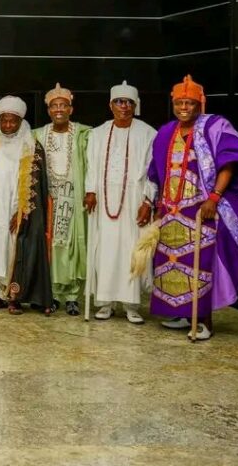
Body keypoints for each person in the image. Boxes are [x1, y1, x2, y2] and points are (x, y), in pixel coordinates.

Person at [147, 76, 238, 340]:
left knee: (201, 266)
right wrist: (158, 204)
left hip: (201, 210)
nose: (184, 108)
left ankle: (204, 320)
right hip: (171, 211)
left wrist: (214, 198)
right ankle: (182, 314)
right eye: (179, 103)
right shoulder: (166, 132)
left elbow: (229, 162)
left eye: (190, 103)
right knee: (172, 264)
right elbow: (158, 172)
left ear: (200, 104)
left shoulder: (215, 126)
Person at [84, 81, 157, 324]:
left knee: (130, 249)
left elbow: (152, 171)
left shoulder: (148, 133)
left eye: (128, 102)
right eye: (118, 101)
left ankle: (131, 305)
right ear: (110, 105)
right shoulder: (97, 133)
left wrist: (148, 200)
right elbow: (91, 166)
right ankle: (105, 303)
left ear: (135, 106)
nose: (123, 106)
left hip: (134, 200)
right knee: (104, 250)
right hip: (103, 202)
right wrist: (90, 190)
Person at [0, 96, 53, 315]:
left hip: (16, 210)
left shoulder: (32, 147)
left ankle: (15, 297)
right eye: (4, 120)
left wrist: (23, 211)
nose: (8, 125)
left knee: (14, 250)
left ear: (21, 121)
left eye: (13, 121)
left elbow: (36, 187)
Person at [33, 84, 90, 316]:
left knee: (72, 246)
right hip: (49, 198)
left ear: (70, 109)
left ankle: (73, 297)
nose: (59, 109)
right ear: (48, 110)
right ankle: (53, 294)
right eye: (54, 106)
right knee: (51, 246)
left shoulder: (84, 134)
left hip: (74, 196)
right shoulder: (37, 135)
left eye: (63, 105)